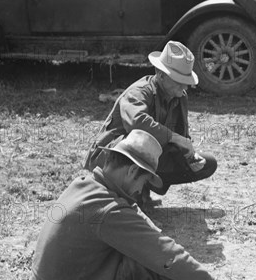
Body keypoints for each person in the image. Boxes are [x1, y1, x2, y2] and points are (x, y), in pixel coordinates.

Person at [29, 130, 251, 280]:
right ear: (132, 172)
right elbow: (159, 249)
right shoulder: (109, 211)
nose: (140, 191)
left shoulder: (87, 185)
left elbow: (144, 225)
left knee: (146, 249)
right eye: (143, 183)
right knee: (147, 258)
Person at [84, 41, 216, 201]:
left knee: (207, 163)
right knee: (139, 144)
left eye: (186, 82)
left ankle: (143, 187)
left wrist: (189, 156)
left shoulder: (180, 96)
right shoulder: (139, 92)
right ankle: (126, 196)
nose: (185, 87)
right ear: (161, 75)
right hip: (111, 158)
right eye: (179, 81)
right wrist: (174, 138)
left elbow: (181, 135)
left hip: (146, 156)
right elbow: (137, 124)